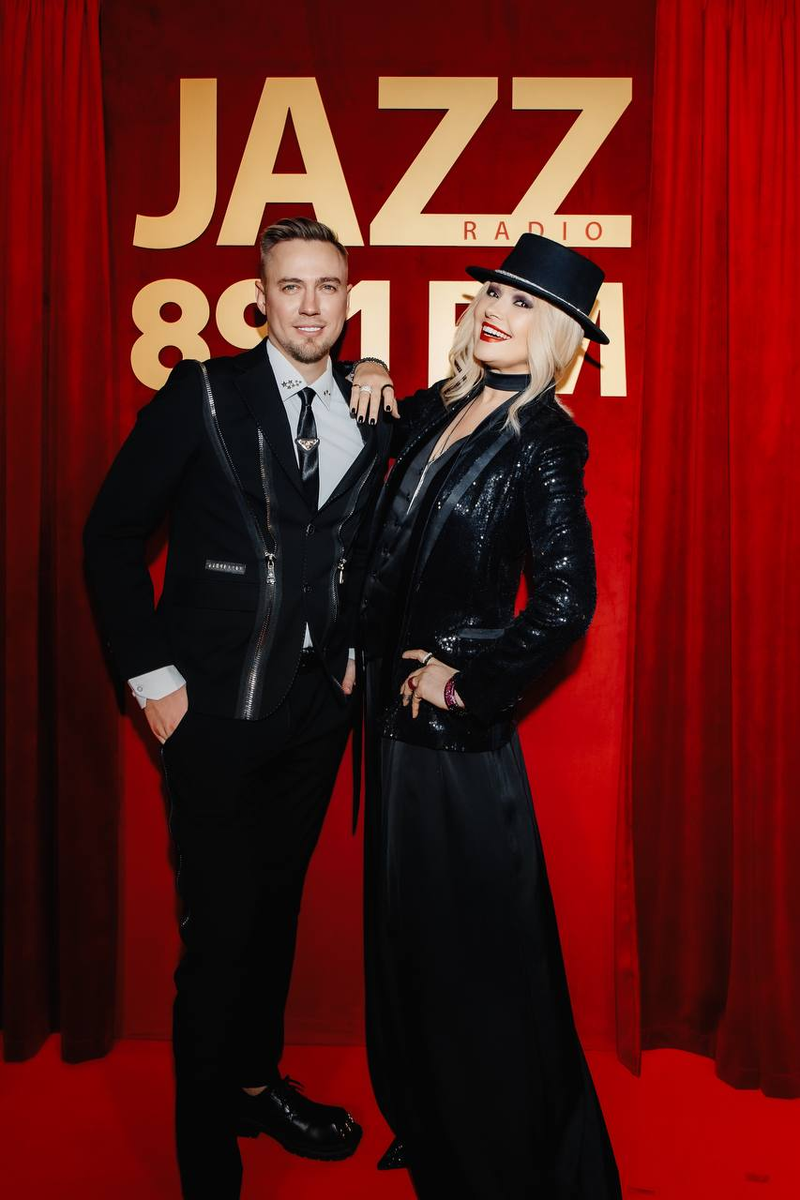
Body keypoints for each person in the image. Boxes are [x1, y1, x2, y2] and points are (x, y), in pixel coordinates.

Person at [83, 217, 393, 1199]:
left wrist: (351, 652)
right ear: (260, 300)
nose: (310, 304)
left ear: (349, 299)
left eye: (328, 287)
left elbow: (355, 549)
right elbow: (109, 536)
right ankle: (206, 1166)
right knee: (218, 939)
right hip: (210, 711)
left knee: (274, 913)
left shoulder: (370, 406)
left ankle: (254, 1088)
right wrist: (153, 682)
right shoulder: (203, 393)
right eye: (291, 286)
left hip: (316, 712)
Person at [351, 234, 623, 1197]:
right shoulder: (443, 403)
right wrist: (368, 367)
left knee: (476, 952)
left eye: (525, 305)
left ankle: (504, 1149)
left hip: (453, 744)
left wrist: (465, 681)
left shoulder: (545, 437)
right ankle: (429, 1113)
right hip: (386, 726)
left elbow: (566, 605)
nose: (498, 312)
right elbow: (369, 467)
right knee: (407, 937)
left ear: (560, 335)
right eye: (494, 296)